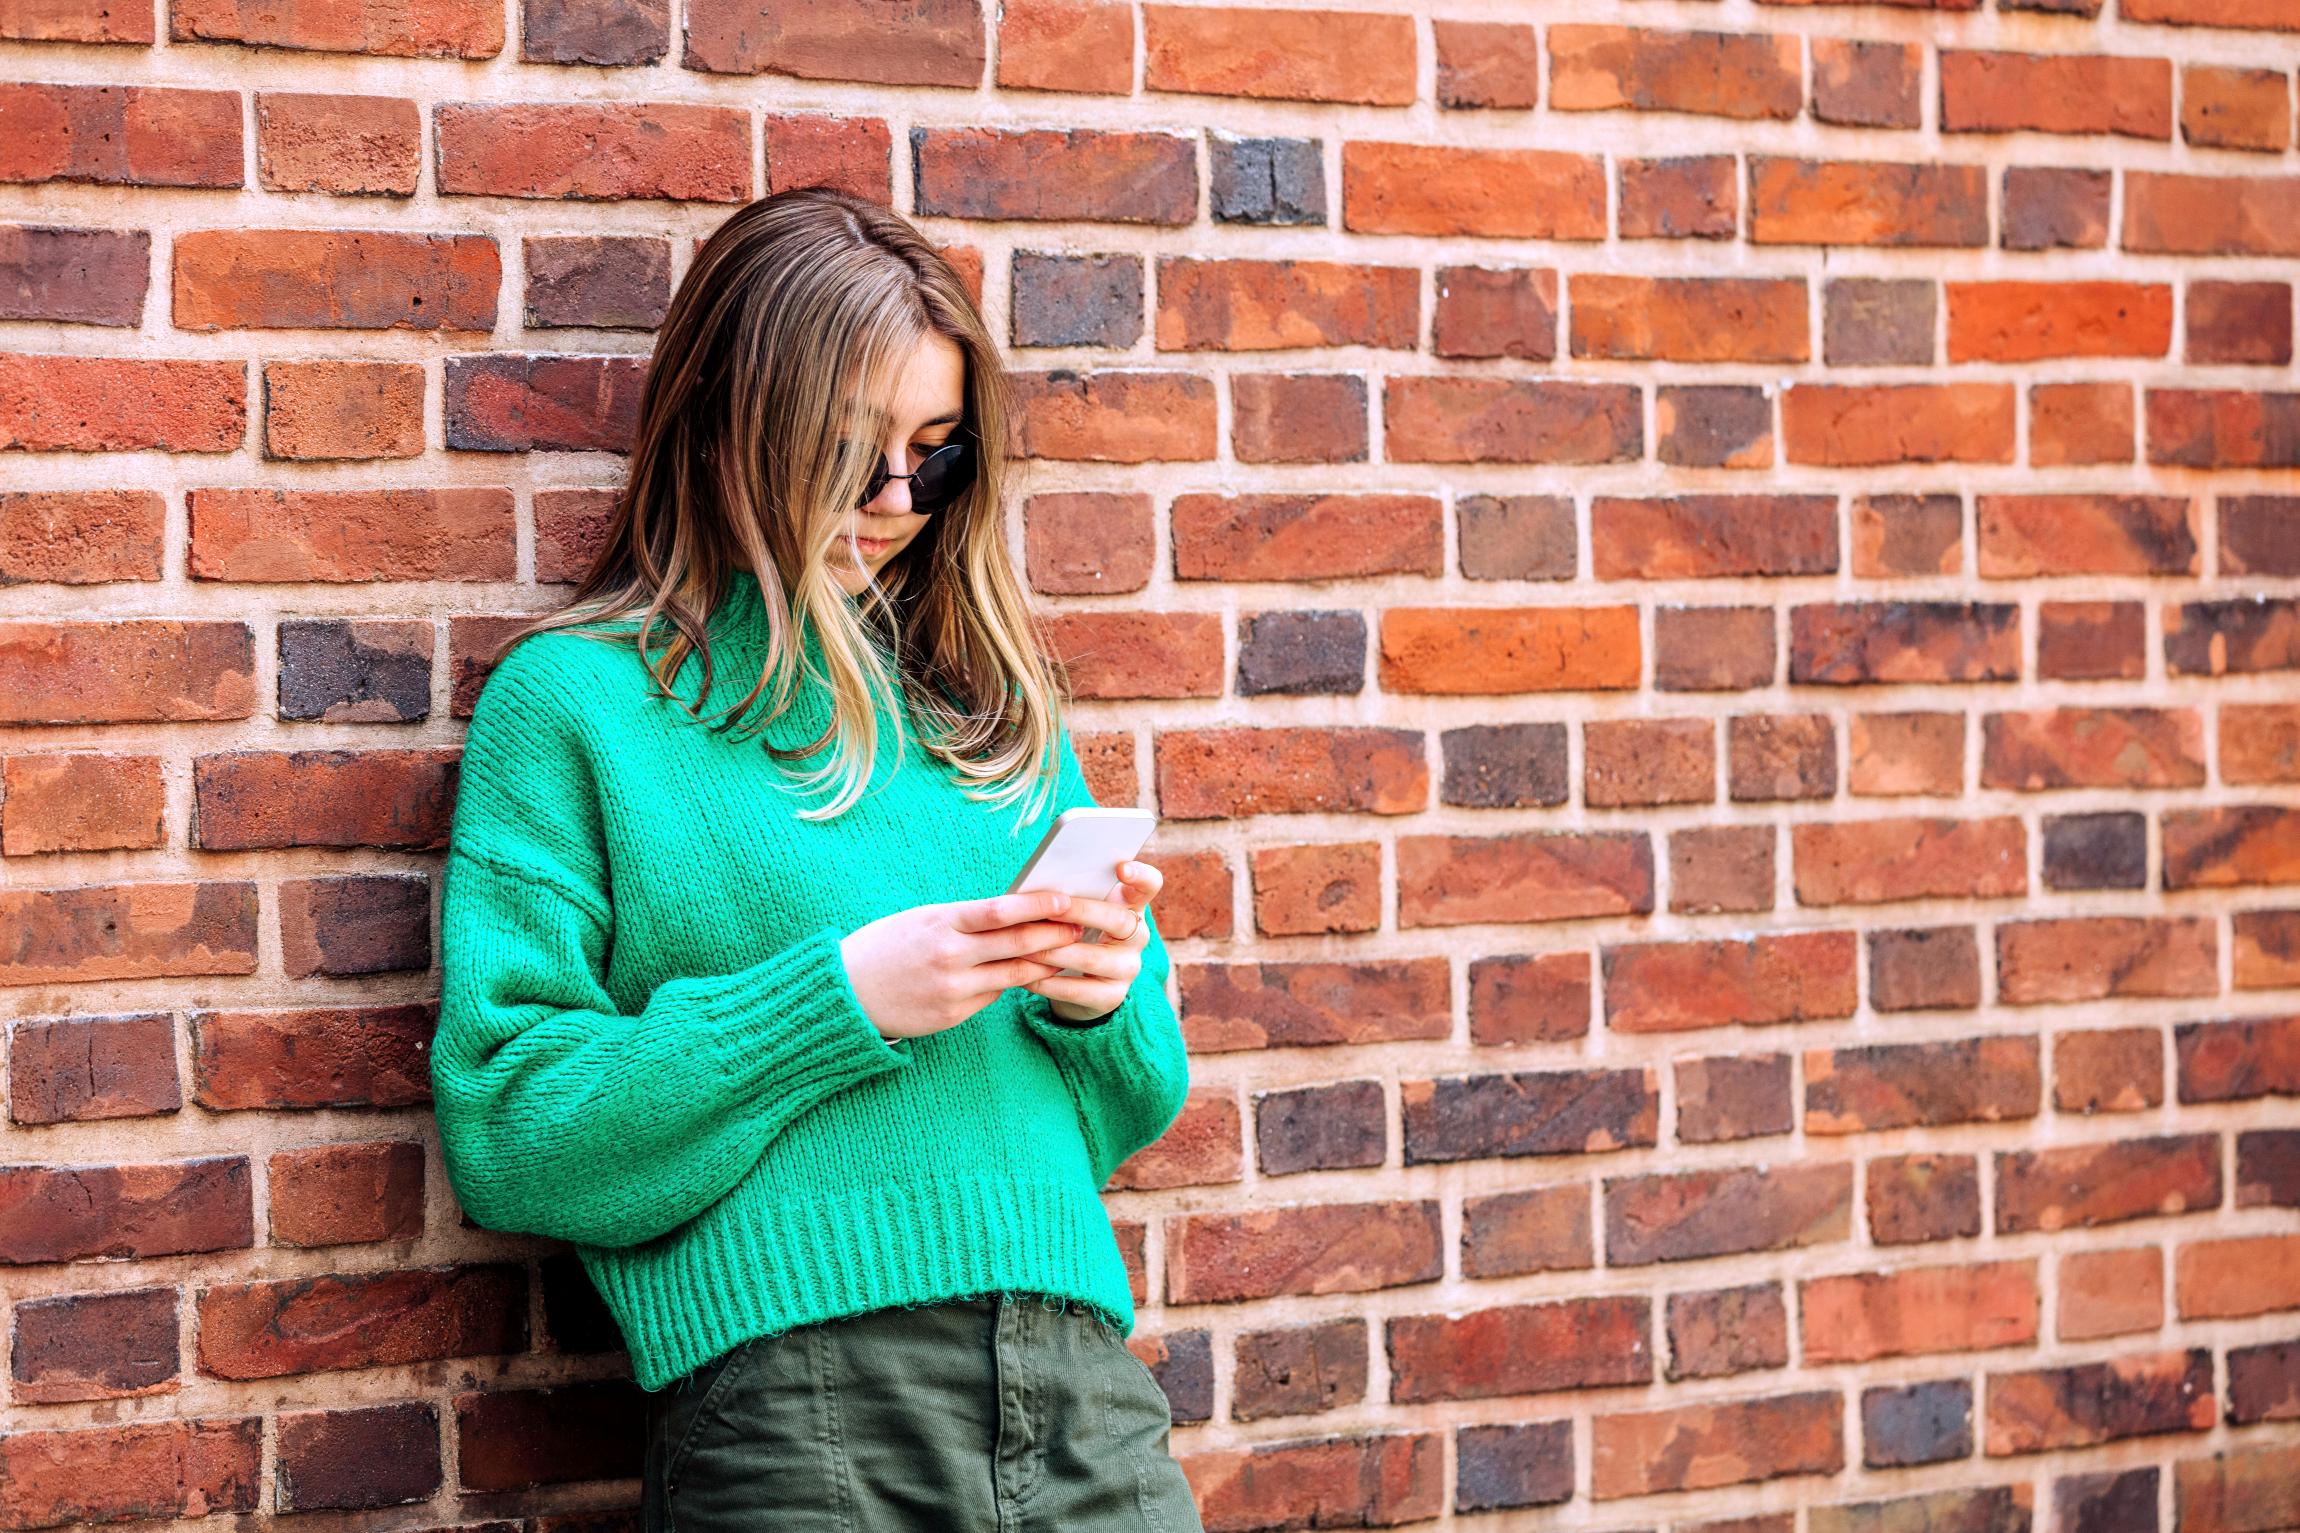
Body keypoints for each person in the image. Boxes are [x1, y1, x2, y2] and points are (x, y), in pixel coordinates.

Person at [430, 185, 1202, 1532]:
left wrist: (1096, 997)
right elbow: (514, 1130)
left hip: (1084, 1396)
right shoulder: (581, 706)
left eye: (937, 452)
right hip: (801, 1411)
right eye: (851, 454)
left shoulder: (985, 702)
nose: (899, 498)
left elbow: (1137, 1099)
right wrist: (837, 1002)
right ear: (734, 425)